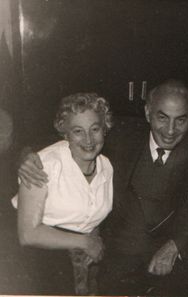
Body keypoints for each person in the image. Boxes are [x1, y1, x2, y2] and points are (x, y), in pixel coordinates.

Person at [18, 80, 188, 296]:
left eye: (181, 120)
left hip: (173, 262)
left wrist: (177, 245)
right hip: (117, 260)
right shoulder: (121, 135)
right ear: (148, 113)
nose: (170, 130)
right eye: (162, 118)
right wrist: (27, 157)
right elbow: (68, 135)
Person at [13, 93, 113, 295]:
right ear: (65, 133)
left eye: (95, 129)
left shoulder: (106, 166)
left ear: (105, 129)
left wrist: (91, 241)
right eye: (78, 131)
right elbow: (27, 234)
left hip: (85, 263)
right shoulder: (43, 165)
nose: (88, 139)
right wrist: (85, 242)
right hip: (43, 262)